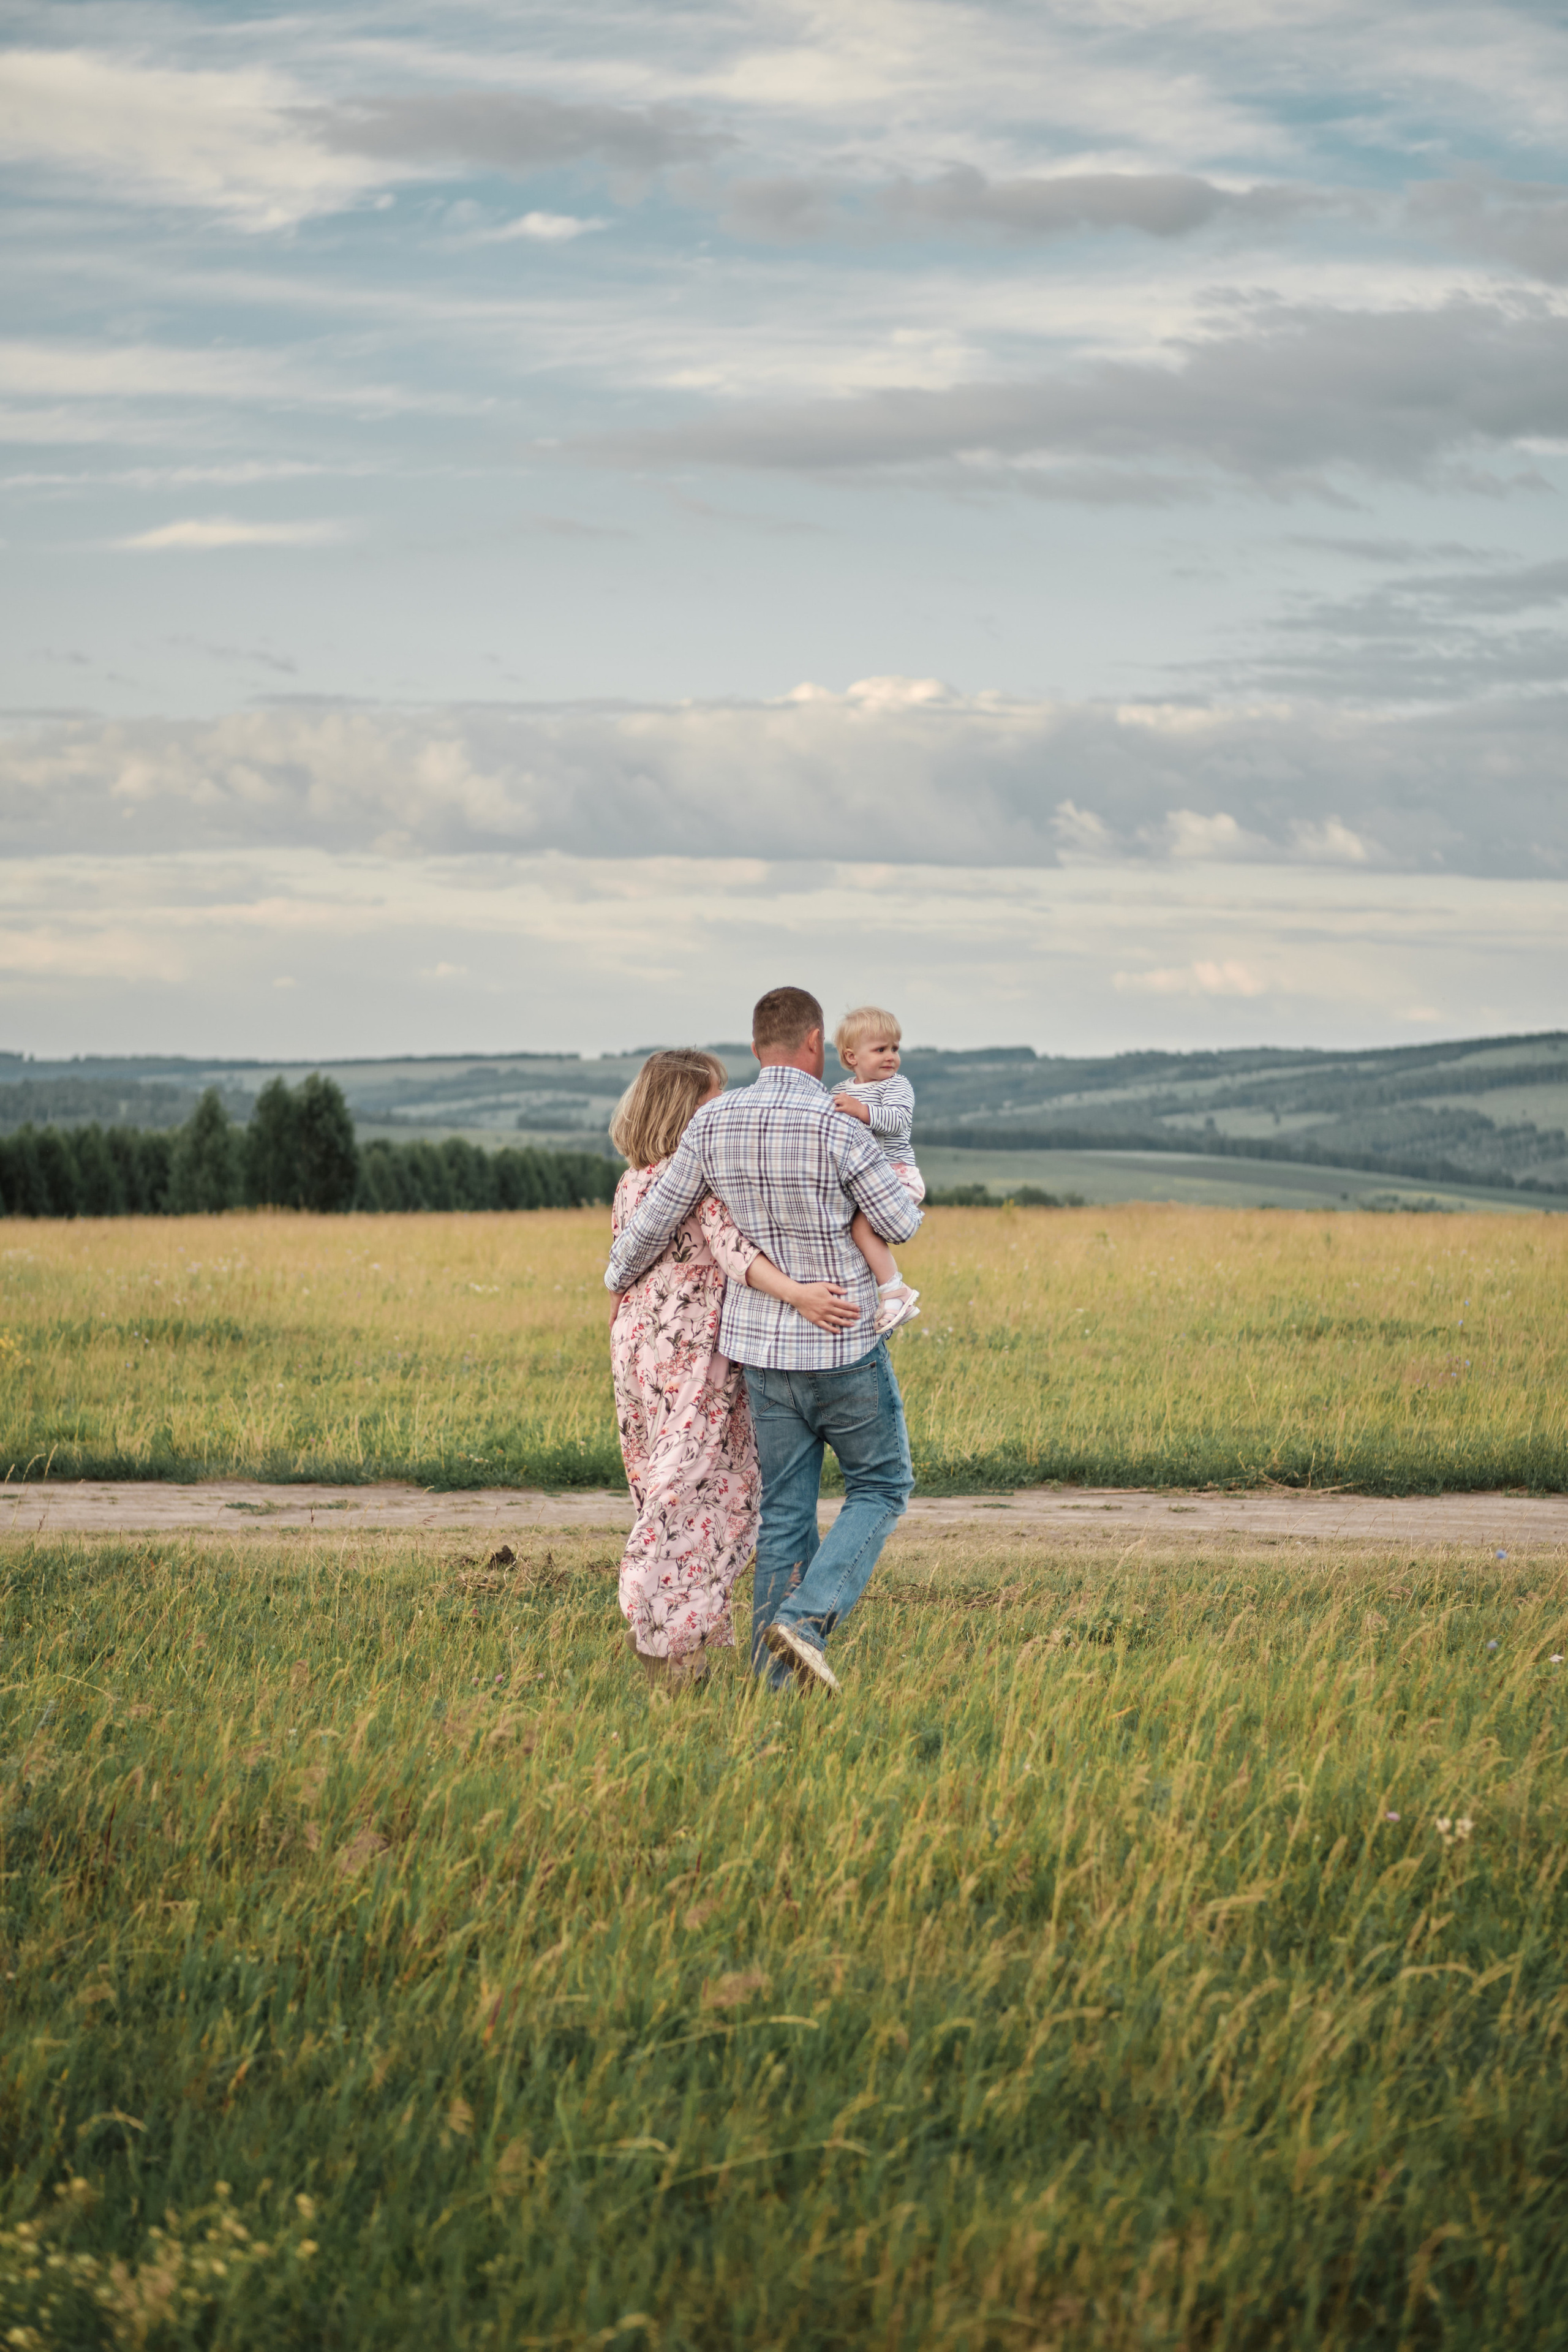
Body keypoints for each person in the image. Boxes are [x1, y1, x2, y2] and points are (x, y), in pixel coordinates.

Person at [605, 989, 923, 1697]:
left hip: (760, 1355)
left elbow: (657, 1218)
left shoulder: (714, 1123)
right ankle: (804, 1624)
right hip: (838, 1340)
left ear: (756, 1049)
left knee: (784, 1508)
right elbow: (898, 1223)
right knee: (881, 1484)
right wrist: (901, 1171)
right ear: (817, 1044)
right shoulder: (839, 1125)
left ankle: (773, 1681)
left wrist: (616, 1274)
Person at [832, 1004, 923, 1334]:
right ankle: (871, 1297)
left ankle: (895, 1290)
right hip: (864, 1179)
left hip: (896, 1174)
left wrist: (861, 1110)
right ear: (852, 1057)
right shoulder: (840, 1091)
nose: (891, 1057)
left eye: (895, 1048)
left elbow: (897, 1122)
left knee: (861, 1229)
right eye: (881, 1049)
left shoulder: (897, 1086)